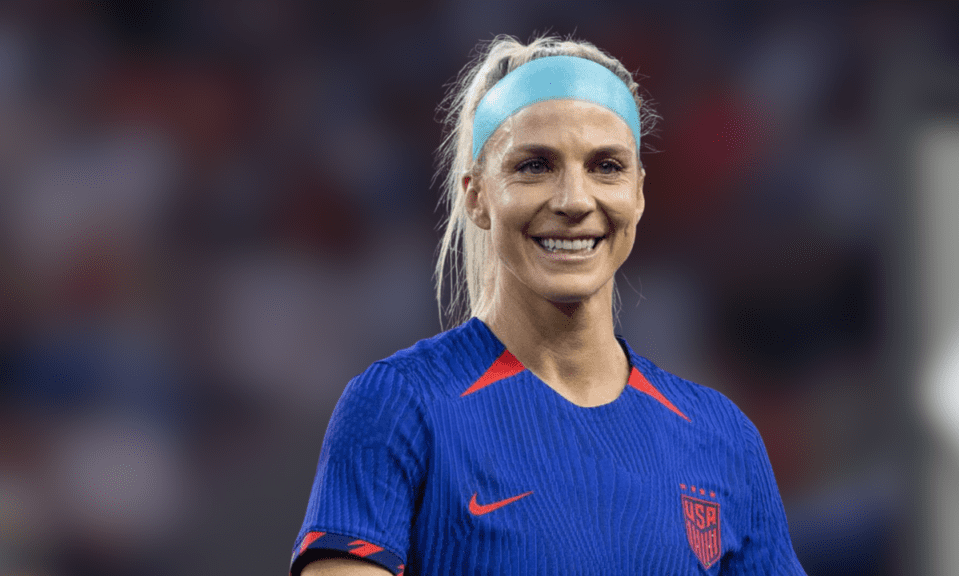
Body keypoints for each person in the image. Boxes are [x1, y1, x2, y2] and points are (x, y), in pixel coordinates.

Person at [289, 35, 807, 576]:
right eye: (535, 166)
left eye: (606, 166)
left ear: (639, 194)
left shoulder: (722, 437)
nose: (574, 201)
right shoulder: (400, 405)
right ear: (476, 195)